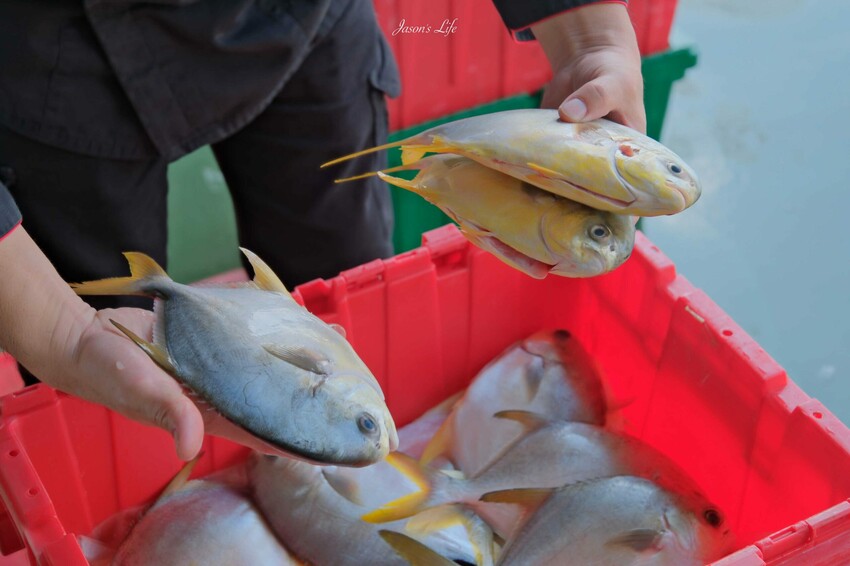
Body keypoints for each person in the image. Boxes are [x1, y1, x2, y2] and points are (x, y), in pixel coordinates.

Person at [0, 0, 645, 461]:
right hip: (54, 62)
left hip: (297, 21)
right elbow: (68, 332)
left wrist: (588, 30)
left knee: (346, 270)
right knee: (112, 391)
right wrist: (59, 331)